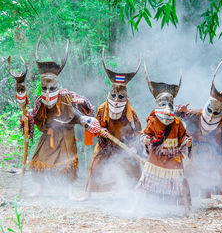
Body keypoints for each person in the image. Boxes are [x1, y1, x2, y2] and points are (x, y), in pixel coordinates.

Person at [21, 36, 101, 199]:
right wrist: (27, 120)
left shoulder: (66, 97)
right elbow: (33, 117)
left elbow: (76, 113)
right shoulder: (40, 102)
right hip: (48, 135)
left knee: (68, 164)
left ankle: (69, 191)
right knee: (39, 161)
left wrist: (85, 120)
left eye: (52, 88)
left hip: (65, 136)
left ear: (58, 85)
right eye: (45, 88)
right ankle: (39, 188)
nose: (48, 92)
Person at [175, 56, 222, 199]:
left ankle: (218, 192)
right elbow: (174, 116)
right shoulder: (193, 115)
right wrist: (180, 110)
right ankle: (183, 193)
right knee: (187, 167)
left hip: (215, 155)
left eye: (216, 113)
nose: (210, 117)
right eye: (209, 112)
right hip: (193, 152)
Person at [84, 49, 142, 195]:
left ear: (126, 97)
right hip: (105, 146)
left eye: (120, 97)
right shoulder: (102, 108)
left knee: (134, 168)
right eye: (113, 96)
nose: (116, 101)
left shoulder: (131, 112)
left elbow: (138, 132)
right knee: (95, 165)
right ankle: (88, 193)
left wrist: (135, 146)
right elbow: (95, 126)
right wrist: (99, 130)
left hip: (124, 148)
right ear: (108, 94)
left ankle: (135, 195)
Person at [137, 63, 192, 216]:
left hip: (173, 157)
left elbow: (184, 138)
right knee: (145, 181)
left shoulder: (177, 122)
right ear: (157, 105)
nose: (167, 107)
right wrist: (145, 140)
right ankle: (136, 207)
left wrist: (187, 143)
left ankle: (187, 210)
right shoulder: (153, 121)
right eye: (163, 104)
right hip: (156, 156)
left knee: (180, 183)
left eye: (170, 104)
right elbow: (144, 135)